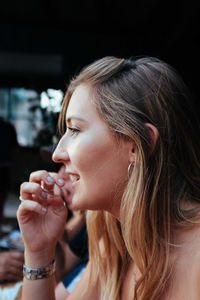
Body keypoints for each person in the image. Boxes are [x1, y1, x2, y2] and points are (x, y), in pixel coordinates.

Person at [17, 56, 200, 300]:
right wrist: (39, 253)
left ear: (136, 146)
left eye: (75, 130)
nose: (58, 154)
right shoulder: (116, 242)